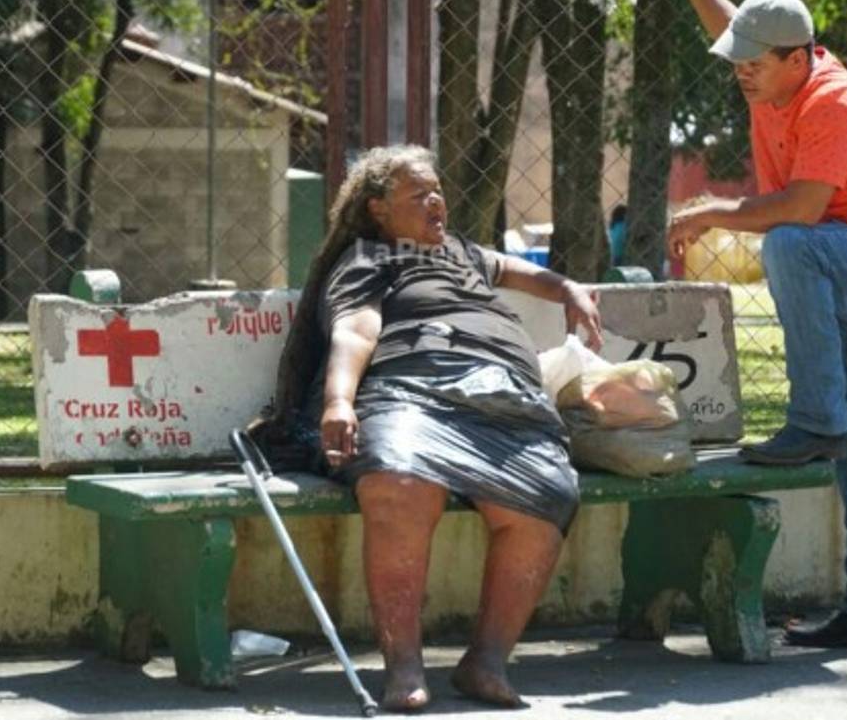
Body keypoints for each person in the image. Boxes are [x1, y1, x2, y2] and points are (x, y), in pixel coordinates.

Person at [645, 0, 847, 649]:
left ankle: (814, 420)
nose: (741, 72)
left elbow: (802, 209)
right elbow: (731, 19)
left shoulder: (834, 100)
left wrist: (713, 210)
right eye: (739, 61)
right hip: (842, 257)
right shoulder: (768, 65)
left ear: (797, 58)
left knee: (790, 245)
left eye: (755, 64)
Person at [253, 145, 602, 711]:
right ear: (377, 210)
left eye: (438, 190)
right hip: (412, 389)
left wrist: (566, 289)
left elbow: (514, 268)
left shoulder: (460, 251)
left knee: (546, 496)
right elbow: (356, 331)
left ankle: (485, 664)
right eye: (419, 194)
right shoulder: (369, 258)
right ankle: (405, 666)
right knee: (398, 480)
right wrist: (340, 400)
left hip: (506, 397)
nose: (437, 201)